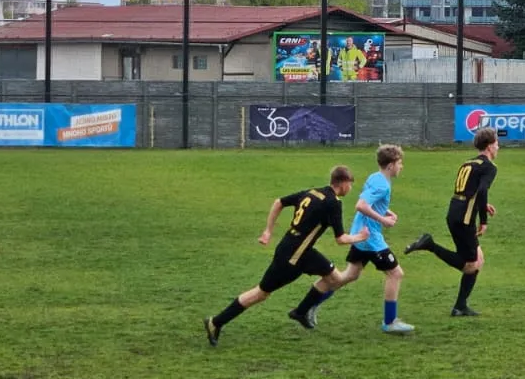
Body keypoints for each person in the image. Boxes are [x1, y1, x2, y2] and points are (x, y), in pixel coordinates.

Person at [205, 165, 369, 345]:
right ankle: (215, 322)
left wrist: (268, 231)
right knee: (261, 293)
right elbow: (341, 239)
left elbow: (279, 202)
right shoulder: (333, 203)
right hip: (293, 256)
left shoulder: (312, 192)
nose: (350, 188)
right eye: (350, 184)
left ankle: (300, 312)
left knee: (335, 279)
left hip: (299, 249)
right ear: (343, 183)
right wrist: (360, 237)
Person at [405, 125, 499, 316]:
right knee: (470, 265)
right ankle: (430, 245)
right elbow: (482, 190)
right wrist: (484, 220)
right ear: (489, 146)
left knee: (478, 259)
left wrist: (483, 205)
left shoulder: (468, 163)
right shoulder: (489, 167)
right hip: (465, 218)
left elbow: (469, 190)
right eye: (497, 143)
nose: (498, 147)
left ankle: (460, 306)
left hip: (454, 211)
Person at [336, 145, 415, 334]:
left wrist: (386, 211)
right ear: (390, 165)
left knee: (349, 275)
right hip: (370, 237)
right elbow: (361, 205)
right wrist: (383, 220)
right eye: (399, 163)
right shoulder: (382, 184)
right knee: (395, 274)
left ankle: (308, 305)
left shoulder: (376, 177)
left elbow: (369, 201)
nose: (401, 166)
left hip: (360, 233)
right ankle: (390, 322)